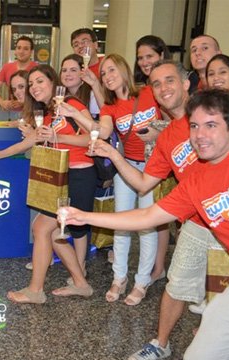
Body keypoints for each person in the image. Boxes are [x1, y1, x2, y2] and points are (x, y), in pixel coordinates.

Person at [64, 88, 229, 360]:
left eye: (211, 125)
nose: (200, 135)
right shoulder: (197, 183)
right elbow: (147, 215)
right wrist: (84, 216)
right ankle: (163, 343)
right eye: (194, 126)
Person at [61, 54, 160, 306]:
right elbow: (102, 131)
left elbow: (176, 121)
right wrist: (73, 112)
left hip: (154, 166)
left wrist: (160, 132)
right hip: (125, 167)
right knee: (121, 223)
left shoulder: (149, 93)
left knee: (147, 226)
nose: (108, 76)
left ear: (124, 69)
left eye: (112, 70)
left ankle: (141, 281)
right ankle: (119, 278)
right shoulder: (110, 107)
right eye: (104, 74)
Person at [4, 64, 95, 304]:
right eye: (31, 84)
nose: (34, 88)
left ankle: (36, 290)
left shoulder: (72, 105)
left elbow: (94, 136)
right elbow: (36, 140)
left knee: (42, 227)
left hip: (79, 176)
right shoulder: (47, 113)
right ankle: (81, 284)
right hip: (60, 177)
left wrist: (58, 137)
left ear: (53, 82)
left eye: (39, 82)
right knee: (53, 233)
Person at [133, 34, 173, 285]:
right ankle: (156, 266)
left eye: (150, 56)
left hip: (166, 158)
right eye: (140, 58)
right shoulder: (143, 89)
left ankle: (159, 267)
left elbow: (179, 121)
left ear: (161, 55)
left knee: (161, 214)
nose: (145, 61)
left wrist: (160, 133)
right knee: (156, 213)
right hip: (146, 158)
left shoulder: (167, 87)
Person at [0, 36, 37, 111]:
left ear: (31, 52)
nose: (21, 51)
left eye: (25, 49)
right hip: (10, 114)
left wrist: (25, 102)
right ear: (15, 51)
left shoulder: (37, 69)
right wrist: (2, 102)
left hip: (32, 113)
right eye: (19, 48)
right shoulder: (7, 67)